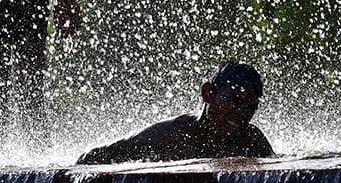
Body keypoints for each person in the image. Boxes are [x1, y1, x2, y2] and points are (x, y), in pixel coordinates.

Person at [77, 61, 274, 164]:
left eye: (250, 107)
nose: (241, 114)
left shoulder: (251, 140)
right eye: (234, 100)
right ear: (208, 93)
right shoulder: (173, 135)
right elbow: (93, 157)